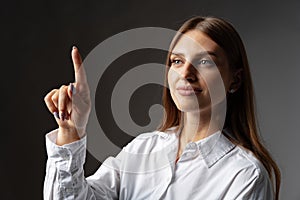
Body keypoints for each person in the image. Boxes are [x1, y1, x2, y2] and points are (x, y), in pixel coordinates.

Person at [43, 16, 281, 199]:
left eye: (205, 61)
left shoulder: (245, 175)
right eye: (177, 61)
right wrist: (70, 130)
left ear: (235, 80)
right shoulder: (143, 150)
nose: (186, 73)